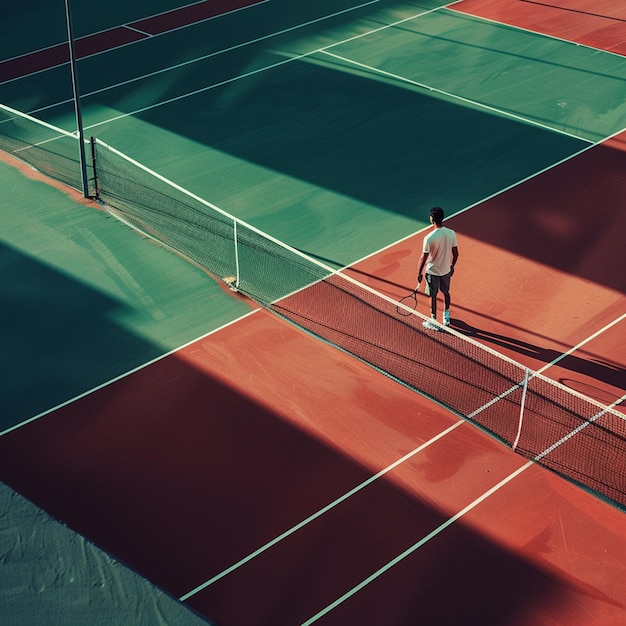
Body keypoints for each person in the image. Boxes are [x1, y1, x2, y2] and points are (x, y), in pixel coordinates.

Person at [417, 206, 458, 329]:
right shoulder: (451, 233)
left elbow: (423, 258)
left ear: (432, 219)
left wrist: (419, 273)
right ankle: (446, 317)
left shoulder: (429, 237)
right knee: (446, 293)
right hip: (446, 270)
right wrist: (452, 266)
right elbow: (456, 254)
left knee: (432, 295)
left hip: (432, 271)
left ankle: (433, 320)